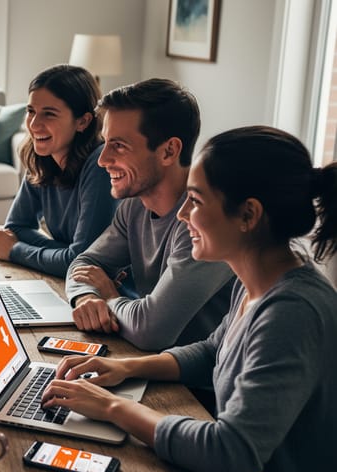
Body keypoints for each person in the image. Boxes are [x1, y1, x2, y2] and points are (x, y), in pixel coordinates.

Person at [44, 126, 337, 472]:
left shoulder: (292, 311)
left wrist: (113, 408)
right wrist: (124, 367)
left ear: (248, 214)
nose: (182, 214)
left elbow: (230, 452)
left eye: (195, 201)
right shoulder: (256, 279)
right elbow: (215, 350)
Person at [65, 78, 233, 350]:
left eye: (118, 145)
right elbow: (84, 263)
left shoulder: (202, 221)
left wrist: (110, 296)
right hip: (155, 366)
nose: (102, 159)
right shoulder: (135, 205)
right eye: (105, 142)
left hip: (197, 387)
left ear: (169, 151)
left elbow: (150, 331)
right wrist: (85, 298)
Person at [0, 64, 116, 277]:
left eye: (49, 114)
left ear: (83, 121)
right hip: (65, 280)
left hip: (109, 291)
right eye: (31, 111)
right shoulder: (42, 157)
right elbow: (15, 227)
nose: (34, 124)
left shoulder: (100, 165)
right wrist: (63, 252)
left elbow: (80, 263)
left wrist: (15, 250)